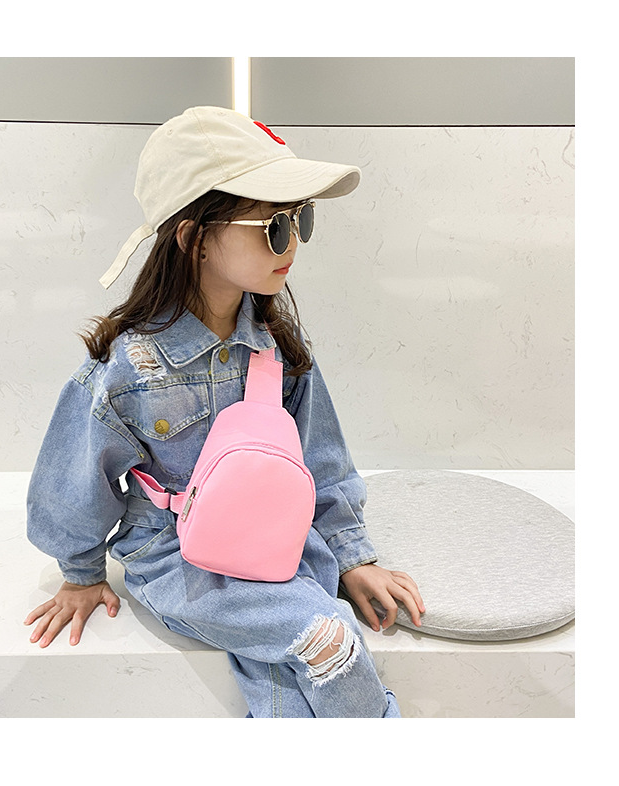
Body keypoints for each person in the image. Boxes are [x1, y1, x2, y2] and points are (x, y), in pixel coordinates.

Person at [24, 106, 425, 718]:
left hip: (276, 538)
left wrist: (351, 555)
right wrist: (80, 574)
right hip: (178, 555)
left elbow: (320, 457)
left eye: (300, 219)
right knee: (330, 639)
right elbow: (76, 476)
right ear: (195, 238)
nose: (292, 244)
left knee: (289, 669)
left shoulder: (277, 348)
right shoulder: (130, 368)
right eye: (273, 227)